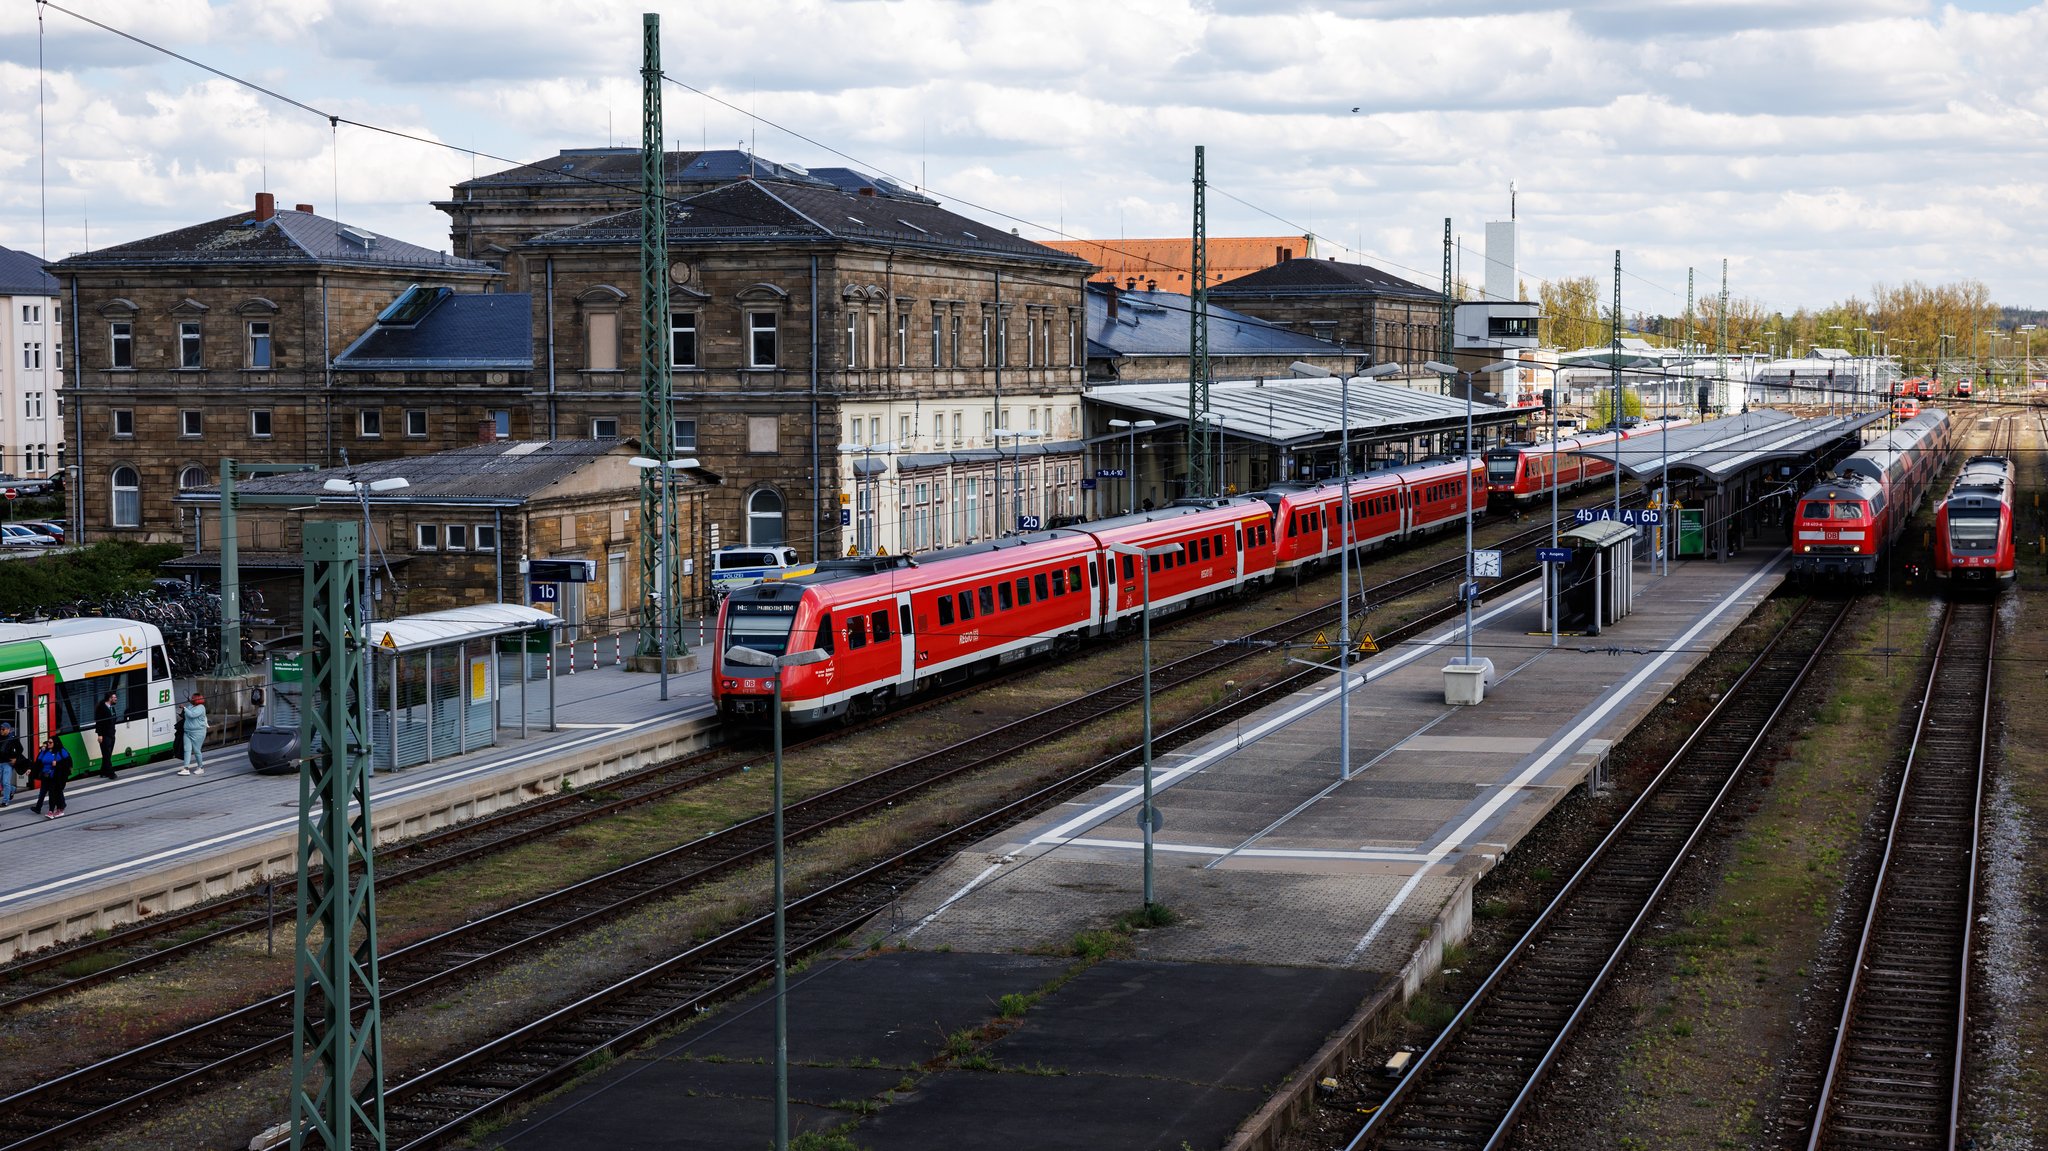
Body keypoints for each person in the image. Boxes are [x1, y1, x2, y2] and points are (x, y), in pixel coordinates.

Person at [32, 737, 70, 818]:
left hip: (56, 777)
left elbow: (67, 764)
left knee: (53, 793)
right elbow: (38, 761)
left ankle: (51, 811)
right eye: (48, 742)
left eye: (50, 742)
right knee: (45, 792)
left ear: (55, 743)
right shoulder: (45, 751)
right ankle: (51, 808)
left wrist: (57, 764)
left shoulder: (61, 751)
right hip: (45, 776)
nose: (48, 744)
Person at [178, 692, 208, 776]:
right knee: (186, 749)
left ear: (196, 700)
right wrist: (184, 709)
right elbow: (187, 714)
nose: (191, 699)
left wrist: (184, 708)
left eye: (192, 698)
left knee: (196, 750)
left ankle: (200, 767)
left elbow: (192, 715)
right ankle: (186, 768)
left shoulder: (201, 708)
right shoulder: (190, 706)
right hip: (187, 731)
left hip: (198, 732)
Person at [94, 690, 120, 780]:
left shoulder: (111, 708)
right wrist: (100, 735)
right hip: (104, 735)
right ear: (110, 698)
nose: (116, 699)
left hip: (111, 734)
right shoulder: (102, 708)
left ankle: (103, 772)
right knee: (106, 754)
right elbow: (99, 722)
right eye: (114, 697)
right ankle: (111, 773)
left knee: (107, 755)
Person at [0, 721, 20, 807]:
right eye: (0, 729)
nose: (1, 730)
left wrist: (15, 758)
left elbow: (20, 749)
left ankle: (5, 801)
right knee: (2, 783)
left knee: (5, 782)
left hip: (8, 763)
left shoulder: (13, 738)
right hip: (0, 762)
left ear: (8, 729)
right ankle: (13, 789)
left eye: (3, 729)